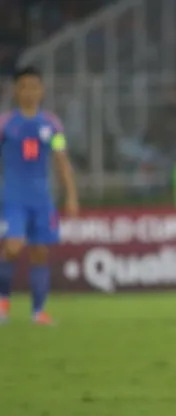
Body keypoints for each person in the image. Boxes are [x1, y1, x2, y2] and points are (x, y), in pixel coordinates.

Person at [0, 66, 79, 325]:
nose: (29, 92)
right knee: (12, 246)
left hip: (42, 199)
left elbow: (61, 159)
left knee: (40, 252)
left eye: (34, 87)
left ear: (42, 90)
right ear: (16, 91)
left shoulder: (52, 125)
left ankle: (38, 312)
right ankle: (2, 303)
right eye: (24, 87)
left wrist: (71, 195)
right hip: (13, 197)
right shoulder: (6, 124)